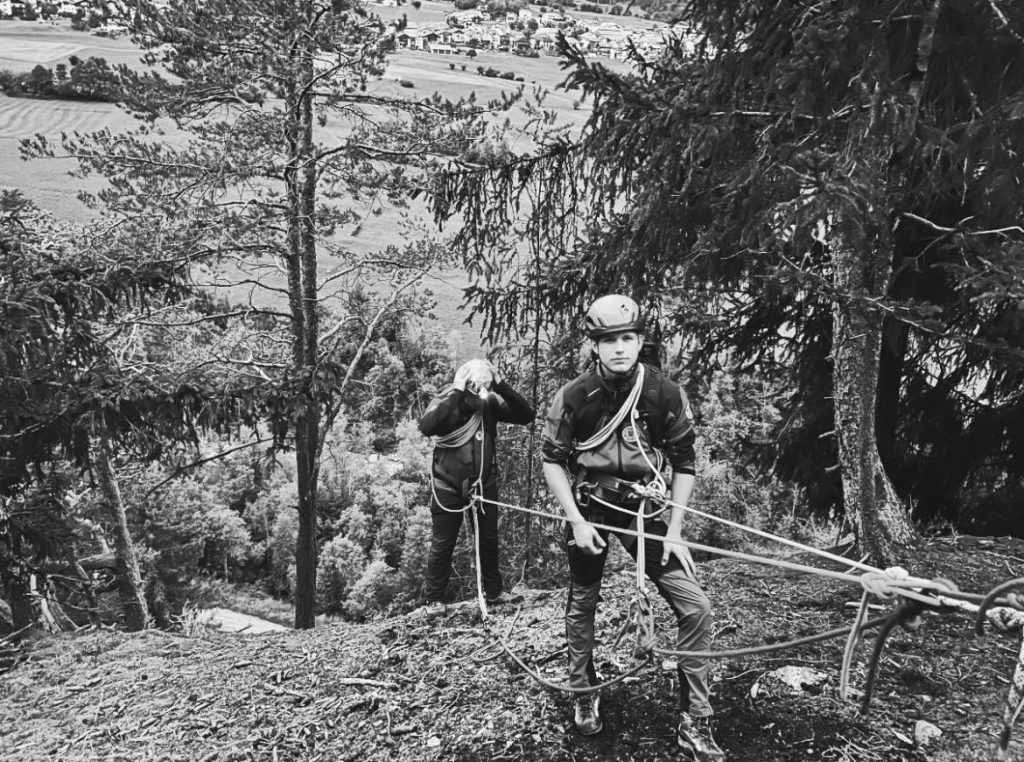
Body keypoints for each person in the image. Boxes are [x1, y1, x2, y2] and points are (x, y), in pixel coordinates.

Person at [541, 295, 725, 761]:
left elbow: (684, 463)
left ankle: (695, 720)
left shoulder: (663, 393)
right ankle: (583, 689)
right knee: (583, 600)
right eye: (609, 340)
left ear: (640, 341)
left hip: (642, 511)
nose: (620, 348)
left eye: (627, 338)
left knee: (696, 605)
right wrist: (576, 521)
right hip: (591, 507)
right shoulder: (575, 396)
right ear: (595, 346)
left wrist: (677, 530)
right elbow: (552, 461)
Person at [419, 358, 535, 609]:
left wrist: (501, 386)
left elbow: (526, 415)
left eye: (486, 386)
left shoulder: (489, 403)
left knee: (488, 540)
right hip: (447, 486)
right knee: (443, 544)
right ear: (465, 383)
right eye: (477, 386)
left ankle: (493, 592)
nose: (481, 391)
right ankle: (433, 599)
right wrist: (457, 392)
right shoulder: (447, 400)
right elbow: (426, 426)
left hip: (484, 485)